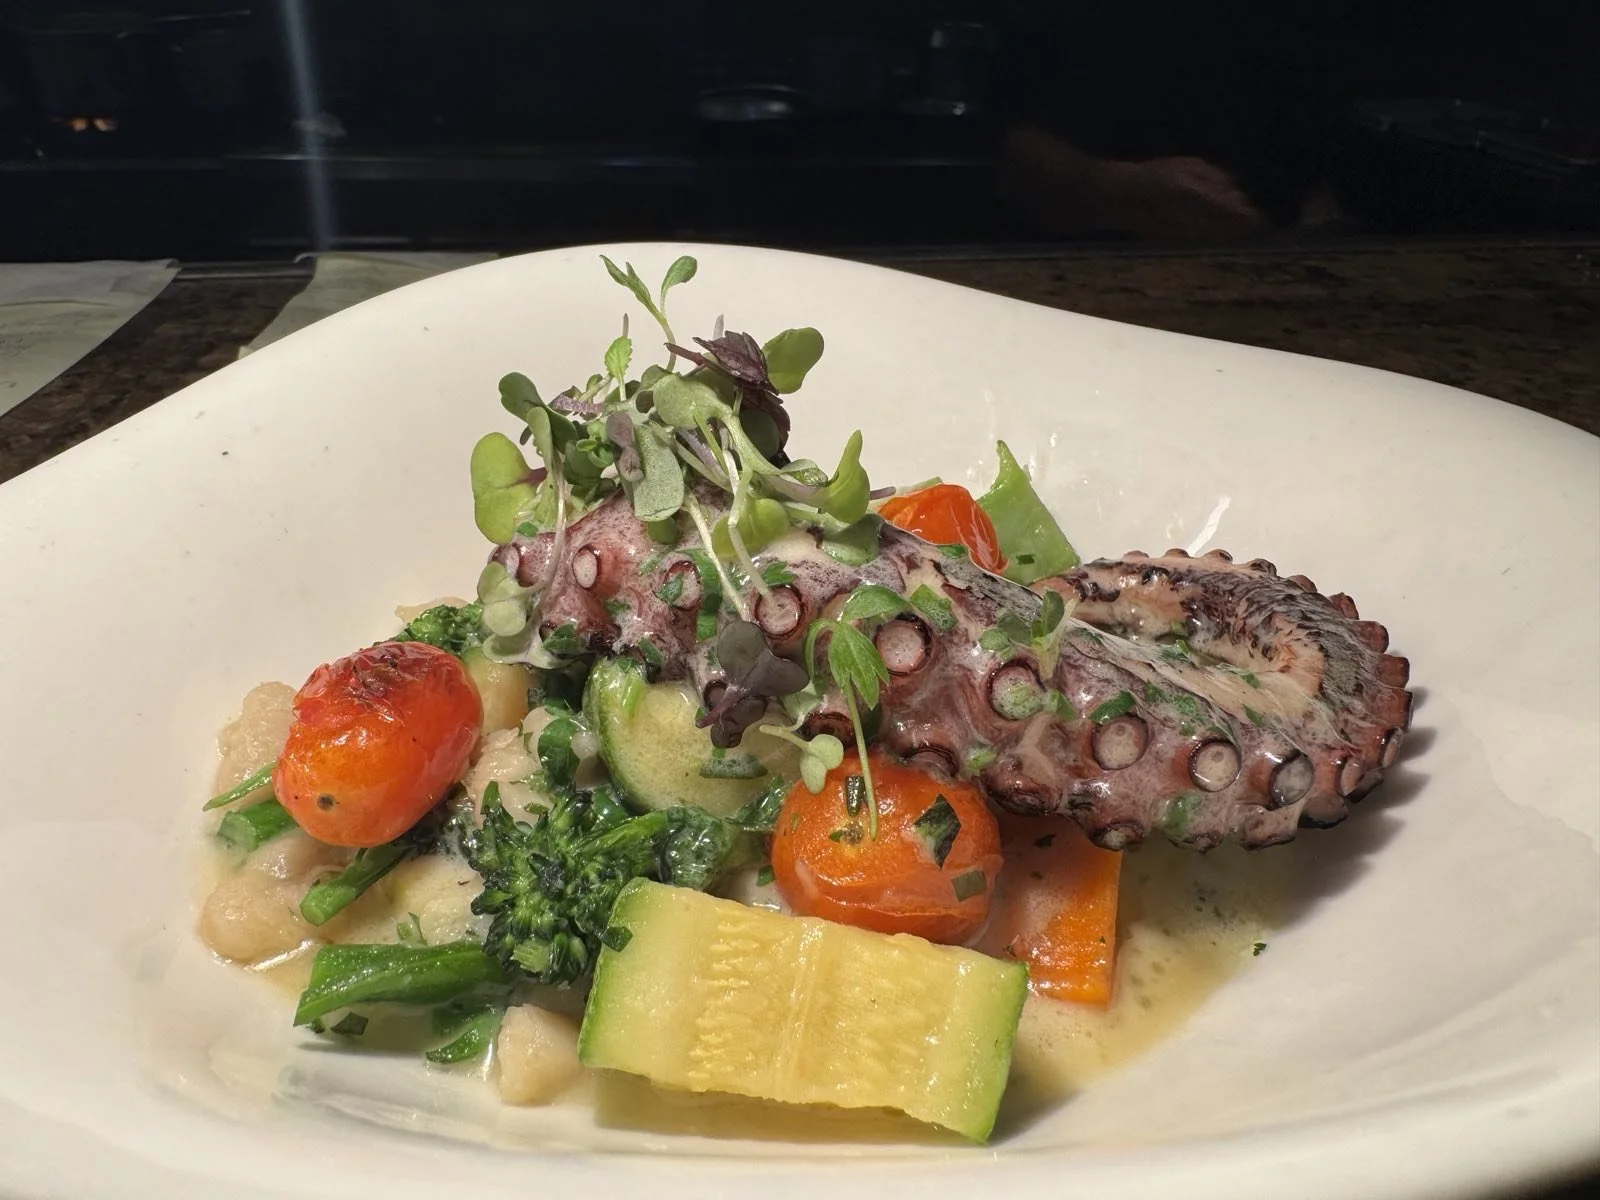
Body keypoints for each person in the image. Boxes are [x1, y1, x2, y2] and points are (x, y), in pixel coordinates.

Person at [994, 1, 1354, 241]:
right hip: (1094, 268)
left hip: (1283, 266)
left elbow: (1329, 127)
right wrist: (1113, 189)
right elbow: (1008, 152)